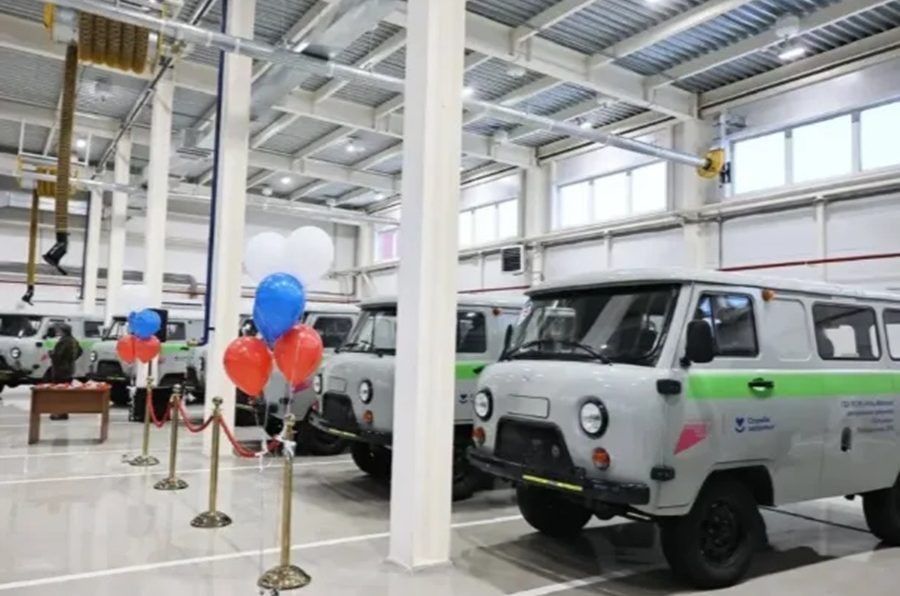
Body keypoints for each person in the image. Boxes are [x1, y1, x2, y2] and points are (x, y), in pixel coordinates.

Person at [49, 323, 82, 420]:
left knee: (58, 392)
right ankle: (64, 412)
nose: (57, 332)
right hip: (70, 369)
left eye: (58, 330)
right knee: (65, 392)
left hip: (60, 370)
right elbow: (80, 351)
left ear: (63, 331)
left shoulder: (64, 341)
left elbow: (58, 355)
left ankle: (58, 413)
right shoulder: (74, 340)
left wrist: (51, 354)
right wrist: (72, 359)